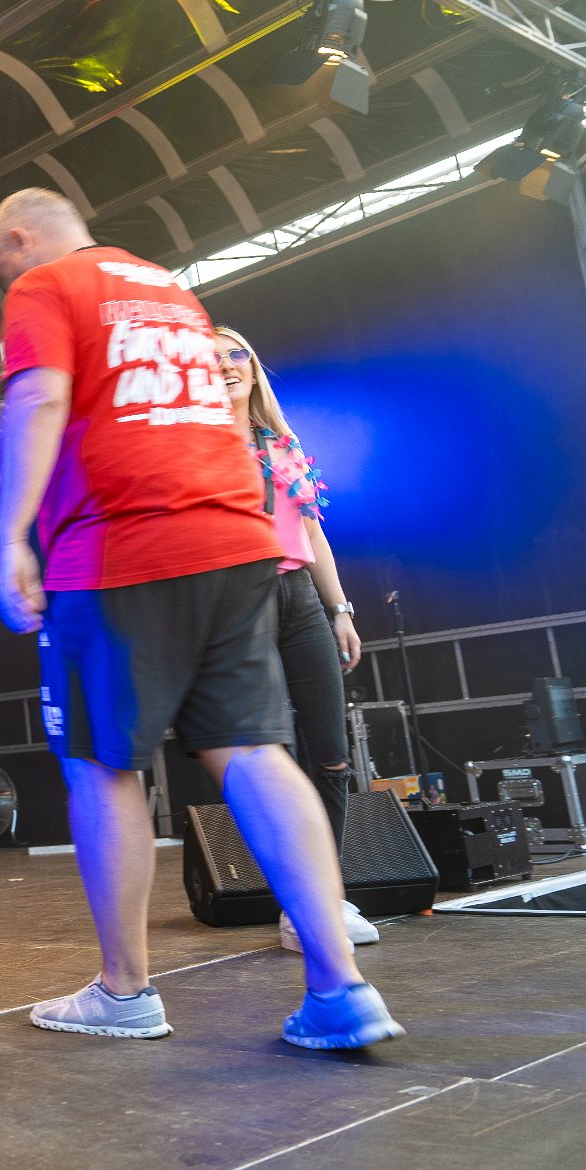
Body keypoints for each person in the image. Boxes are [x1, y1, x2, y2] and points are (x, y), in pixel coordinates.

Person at [0, 188, 400, 1050]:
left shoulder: (44, 287)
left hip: (120, 546)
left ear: (20, 239)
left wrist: (10, 535)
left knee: (103, 764)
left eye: (0, 261)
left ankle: (126, 990)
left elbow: (39, 400)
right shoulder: (168, 289)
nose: (4, 277)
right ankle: (340, 986)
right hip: (237, 541)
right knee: (254, 750)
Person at [213, 327, 379, 955]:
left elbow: (312, 535)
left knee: (332, 753)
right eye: (212, 358)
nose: (227, 365)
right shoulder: (194, 444)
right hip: (241, 600)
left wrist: (340, 610)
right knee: (271, 758)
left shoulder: (280, 444)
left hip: (300, 599)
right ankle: (298, 904)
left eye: (237, 354)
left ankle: (325, 897)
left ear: (254, 368)